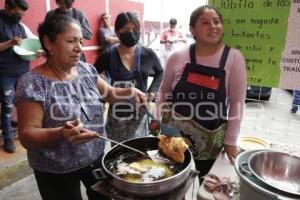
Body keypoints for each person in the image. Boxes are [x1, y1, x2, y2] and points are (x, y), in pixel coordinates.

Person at [14, 14, 147, 200]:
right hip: (56, 171)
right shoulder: (32, 83)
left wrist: (129, 92)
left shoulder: (86, 70)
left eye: (81, 42)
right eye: (71, 41)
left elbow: (108, 93)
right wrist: (61, 133)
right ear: (48, 43)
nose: (79, 48)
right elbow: (27, 136)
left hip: (96, 158)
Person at [154, 5, 247, 181]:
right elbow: (164, 90)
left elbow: (237, 102)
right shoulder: (177, 57)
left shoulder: (233, 58)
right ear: (192, 29)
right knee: (170, 180)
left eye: (217, 22)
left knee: (207, 185)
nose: (213, 26)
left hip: (211, 141)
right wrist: (156, 117)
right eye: (205, 22)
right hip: (173, 138)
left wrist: (230, 141)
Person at [94, 12, 164, 143]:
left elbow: (160, 72)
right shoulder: (108, 56)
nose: (131, 33)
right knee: (118, 154)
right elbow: (92, 78)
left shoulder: (148, 54)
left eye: (135, 29)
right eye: (126, 30)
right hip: (117, 117)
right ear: (117, 32)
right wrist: (101, 100)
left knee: (138, 151)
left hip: (140, 114)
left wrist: (151, 92)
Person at [0, 0, 30, 153]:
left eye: (21, 14)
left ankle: (25, 132)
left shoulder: (19, 26)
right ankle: (8, 139)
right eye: (17, 13)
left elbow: (23, 47)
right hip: (5, 73)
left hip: (22, 71)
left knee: (25, 103)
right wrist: (10, 43)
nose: (19, 17)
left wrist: (33, 52)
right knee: (7, 107)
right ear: (7, 7)